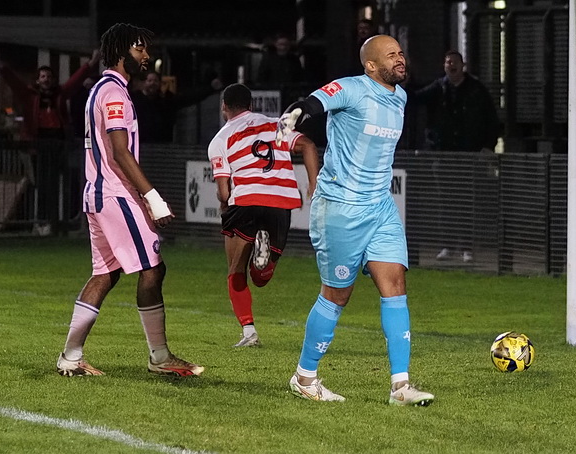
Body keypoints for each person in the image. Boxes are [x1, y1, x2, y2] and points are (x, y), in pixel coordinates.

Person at [275, 35, 434, 406]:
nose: (400, 59)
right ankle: (305, 377)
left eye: (401, 53)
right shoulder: (351, 88)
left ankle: (400, 387)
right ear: (371, 65)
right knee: (336, 295)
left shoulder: (401, 97)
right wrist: (294, 115)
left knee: (395, 283)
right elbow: (315, 102)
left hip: (380, 207)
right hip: (340, 208)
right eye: (391, 55)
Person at [56, 23, 204, 377]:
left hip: (97, 193)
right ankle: (160, 357)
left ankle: (71, 357)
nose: (146, 56)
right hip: (115, 194)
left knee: (105, 273)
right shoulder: (115, 93)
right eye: (139, 49)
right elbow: (121, 153)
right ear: (121, 51)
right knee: (152, 268)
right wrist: (152, 197)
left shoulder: (100, 89)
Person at [207, 83, 319, 347]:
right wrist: (314, 185)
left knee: (235, 270)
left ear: (224, 107)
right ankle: (263, 262)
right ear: (252, 105)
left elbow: (224, 193)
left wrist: (224, 204)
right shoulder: (277, 125)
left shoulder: (220, 139)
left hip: (244, 201)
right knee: (262, 278)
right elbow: (309, 146)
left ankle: (249, 333)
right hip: (279, 203)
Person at [0, 49, 101, 235]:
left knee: (59, 184)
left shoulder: (59, 94)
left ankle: (56, 222)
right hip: (39, 145)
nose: (46, 79)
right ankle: (42, 222)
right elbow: (14, 82)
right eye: (43, 76)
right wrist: (1, 65)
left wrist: (91, 63)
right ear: (37, 80)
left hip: (58, 143)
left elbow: (74, 81)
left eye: (49, 76)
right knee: (42, 184)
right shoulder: (30, 96)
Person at [415, 50, 500, 263]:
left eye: (454, 62)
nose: (450, 65)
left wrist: (488, 146)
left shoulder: (476, 90)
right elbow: (415, 99)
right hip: (443, 155)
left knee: (467, 201)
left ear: (463, 65)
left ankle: (467, 247)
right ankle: (447, 245)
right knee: (445, 202)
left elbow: (491, 118)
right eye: (447, 62)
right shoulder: (438, 88)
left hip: (468, 155)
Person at [131, 71, 223, 143]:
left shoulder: (165, 100)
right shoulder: (134, 100)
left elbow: (188, 97)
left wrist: (210, 88)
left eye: (155, 81)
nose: (153, 83)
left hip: (161, 144)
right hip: (139, 142)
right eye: (149, 80)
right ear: (143, 83)